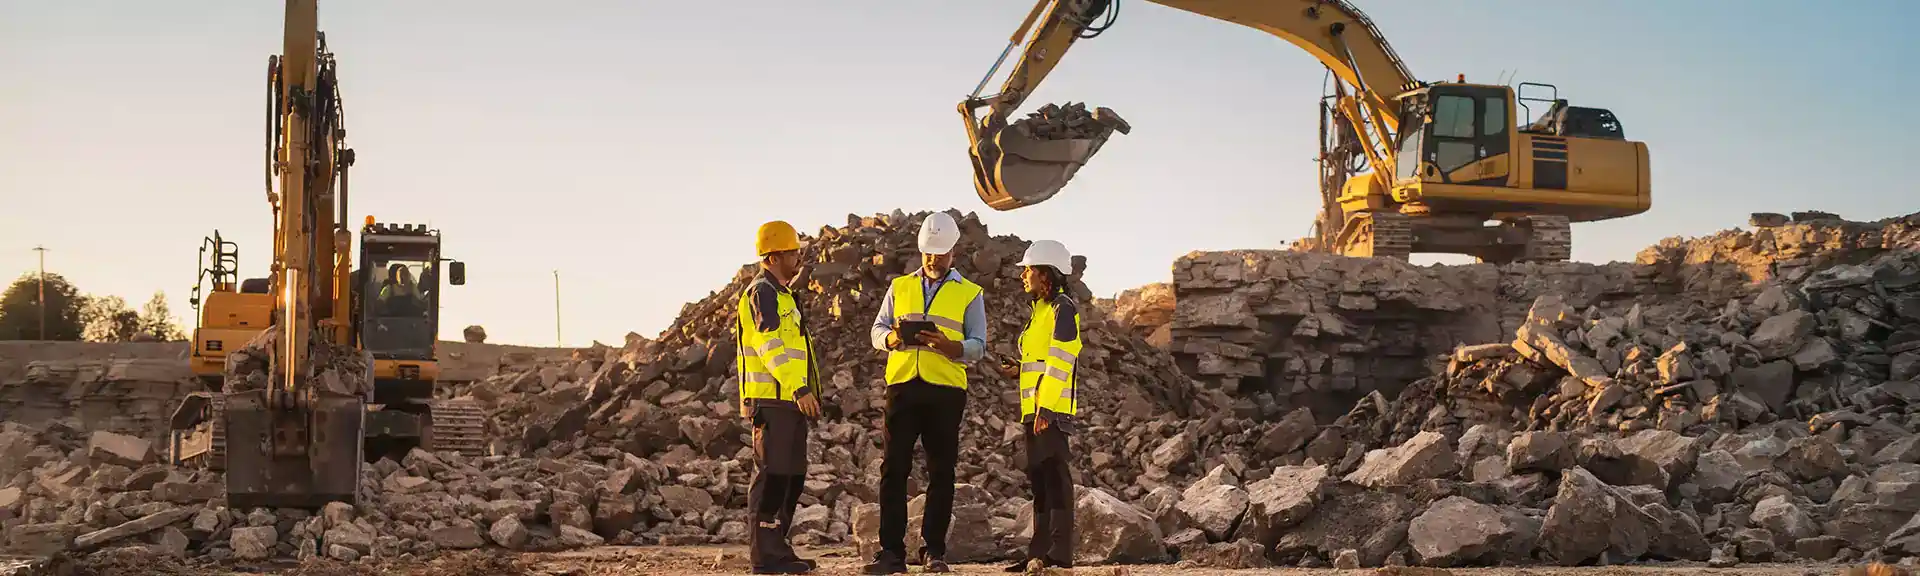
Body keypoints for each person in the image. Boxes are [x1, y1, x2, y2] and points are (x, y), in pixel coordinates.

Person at [863, 212, 989, 575]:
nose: (934, 260)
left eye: (941, 254)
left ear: (954, 251)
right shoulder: (900, 287)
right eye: (928, 253)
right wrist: (891, 338)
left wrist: (954, 348)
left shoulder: (970, 293)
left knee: (941, 472)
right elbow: (877, 329)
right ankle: (891, 553)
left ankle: (933, 552)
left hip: (946, 392)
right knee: (893, 470)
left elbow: (979, 344)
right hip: (902, 387)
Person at [737, 220, 824, 575]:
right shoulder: (763, 292)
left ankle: (779, 548)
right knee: (772, 476)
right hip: (772, 400)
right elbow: (768, 344)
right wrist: (798, 387)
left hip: (788, 401)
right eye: (792, 252)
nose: (798, 257)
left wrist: (809, 391)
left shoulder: (785, 294)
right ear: (774, 255)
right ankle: (764, 557)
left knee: (791, 476)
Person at [997, 240, 1082, 574]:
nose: (1023, 276)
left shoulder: (1064, 308)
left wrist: (1046, 409)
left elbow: (1061, 361)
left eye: (1028, 270)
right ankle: (1038, 554)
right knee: (1041, 481)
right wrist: (1018, 369)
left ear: (1046, 273)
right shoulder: (1041, 311)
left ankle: (1059, 554)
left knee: (1056, 478)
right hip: (1035, 409)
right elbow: (1041, 360)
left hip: (1052, 411)